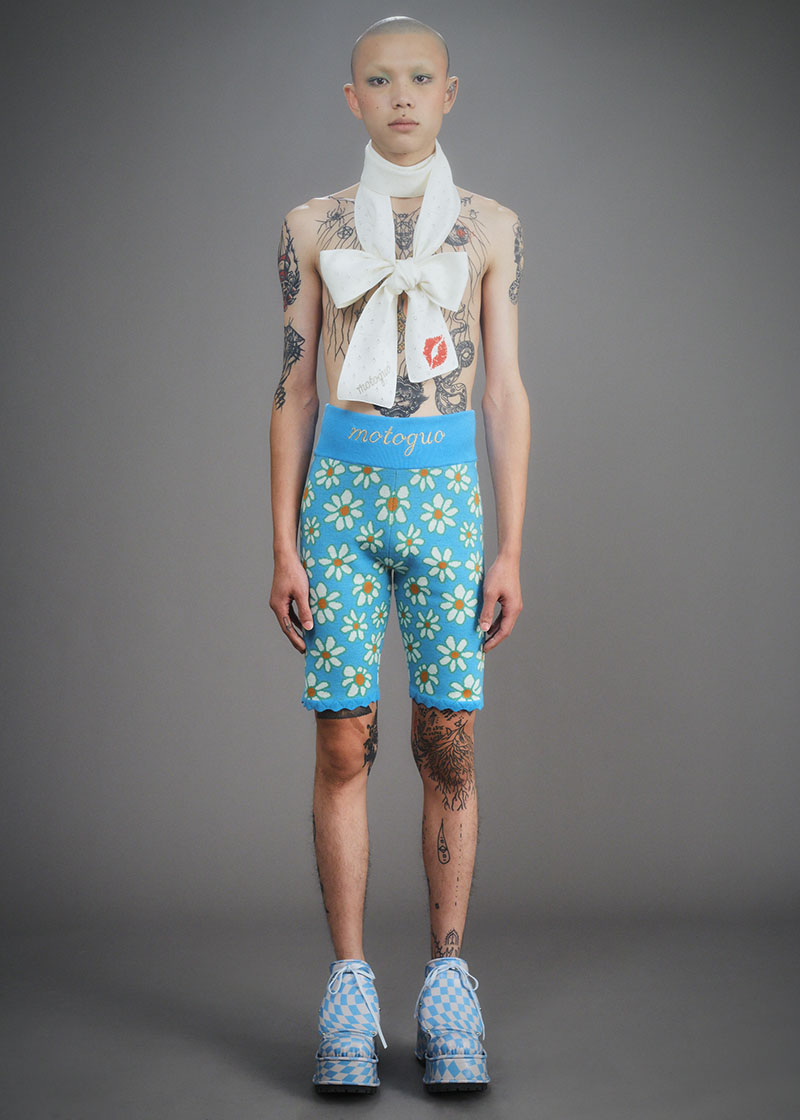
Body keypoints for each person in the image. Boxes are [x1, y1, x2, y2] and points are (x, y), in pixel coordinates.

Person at [269, 15, 530, 1094]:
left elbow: (503, 392)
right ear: (353, 99)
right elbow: (293, 387)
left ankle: (447, 980)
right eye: (380, 80)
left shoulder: (492, 226)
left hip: (445, 507)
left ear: (450, 91)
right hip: (338, 506)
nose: (403, 95)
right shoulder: (310, 224)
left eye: (421, 77)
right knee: (344, 744)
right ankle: (348, 983)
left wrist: (510, 547)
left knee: (447, 744)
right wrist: (280, 543)